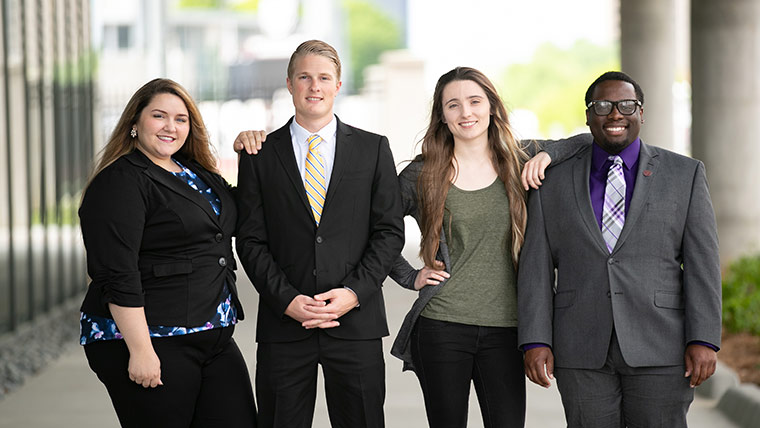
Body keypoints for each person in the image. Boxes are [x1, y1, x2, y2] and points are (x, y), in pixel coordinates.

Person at [387, 66, 591, 428]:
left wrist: (548, 156)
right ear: (442, 116)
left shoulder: (520, 158)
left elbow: (588, 142)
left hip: (508, 328)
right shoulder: (422, 174)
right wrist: (408, 276)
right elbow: (379, 229)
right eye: (453, 105)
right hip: (442, 325)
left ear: (492, 107)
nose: (466, 113)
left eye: (474, 101)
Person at [518, 71, 721, 428]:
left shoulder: (684, 174)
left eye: (627, 105)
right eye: (603, 105)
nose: (615, 114)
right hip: (579, 347)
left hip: (661, 345)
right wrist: (535, 339)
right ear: (587, 115)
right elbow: (534, 268)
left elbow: (703, 264)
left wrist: (704, 338)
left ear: (641, 113)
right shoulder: (552, 182)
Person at [235, 40, 404, 428]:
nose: (315, 86)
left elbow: (389, 232)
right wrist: (287, 299)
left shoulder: (372, 149)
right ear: (290, 83)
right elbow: (250, 240)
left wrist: (353, 293)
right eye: (305, 77)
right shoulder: (259, 154)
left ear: (338, 84)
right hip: (285, 326)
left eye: (324, 77)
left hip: (355, 323)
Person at [79, 78, 257, 427]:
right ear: (135, 122)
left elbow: (240, 214)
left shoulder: (196, 173)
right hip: (153, 338)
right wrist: (141, 351)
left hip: (213, 335)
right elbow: (117, 272)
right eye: (159, 116)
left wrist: (249, 156)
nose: (170, 127)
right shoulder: (120, 181)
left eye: (180, 119)